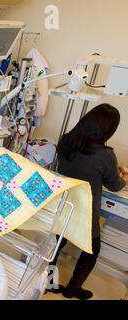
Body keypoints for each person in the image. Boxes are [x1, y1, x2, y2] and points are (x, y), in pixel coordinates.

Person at [48, 103, 127, 300]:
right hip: (85, 212)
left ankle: (47, 283)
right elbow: (115, 185)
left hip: (63, 204)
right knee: (92, 249)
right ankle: (73, 289)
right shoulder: (106, 155)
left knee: (56, 243)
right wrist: (123, 175)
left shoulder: (66, 141)